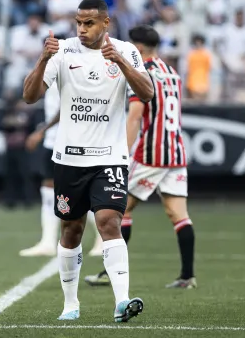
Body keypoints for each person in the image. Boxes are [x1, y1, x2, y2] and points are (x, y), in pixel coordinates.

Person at [22, 0, 154, 322]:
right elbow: (29, 96)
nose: (82, 29)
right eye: (78, 23)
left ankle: (121, 302)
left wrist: (121, 62)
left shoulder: (126, 50)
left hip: (110, 157)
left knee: (110, 222)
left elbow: (148, 92)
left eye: (89, 23)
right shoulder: (63, 50)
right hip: (69, 159)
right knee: (72, 230)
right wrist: (42, 59)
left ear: (105, 23)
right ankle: (70, 304)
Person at [84, 25, 196, 289]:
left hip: (150, 154)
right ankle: (187, 276)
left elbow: (135, 116)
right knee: (179, 215)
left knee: (117, 209)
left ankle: (110, 273)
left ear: (139, 48)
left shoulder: (141, 73)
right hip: (175, 153)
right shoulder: (172, 73)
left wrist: (120, 154)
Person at [21, 80, 104, 257]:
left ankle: (102, 238)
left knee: (82, 192)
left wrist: (41, 130)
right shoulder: (50, 70)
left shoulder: (68, 69)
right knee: (48, 189)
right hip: (53, 141)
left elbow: (69, 106)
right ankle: (47, 241)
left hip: (70, 140)